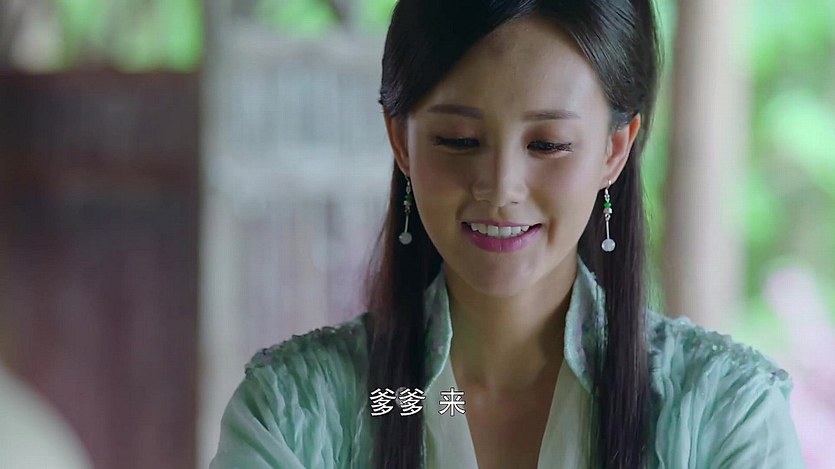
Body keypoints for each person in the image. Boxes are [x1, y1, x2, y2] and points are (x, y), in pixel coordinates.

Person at [210, 1, 805, 468]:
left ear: (613, 150)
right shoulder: (294, 415)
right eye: (459, 141)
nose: (500, 187)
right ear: (401, 140)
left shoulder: (728, 417)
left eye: (547, 144)